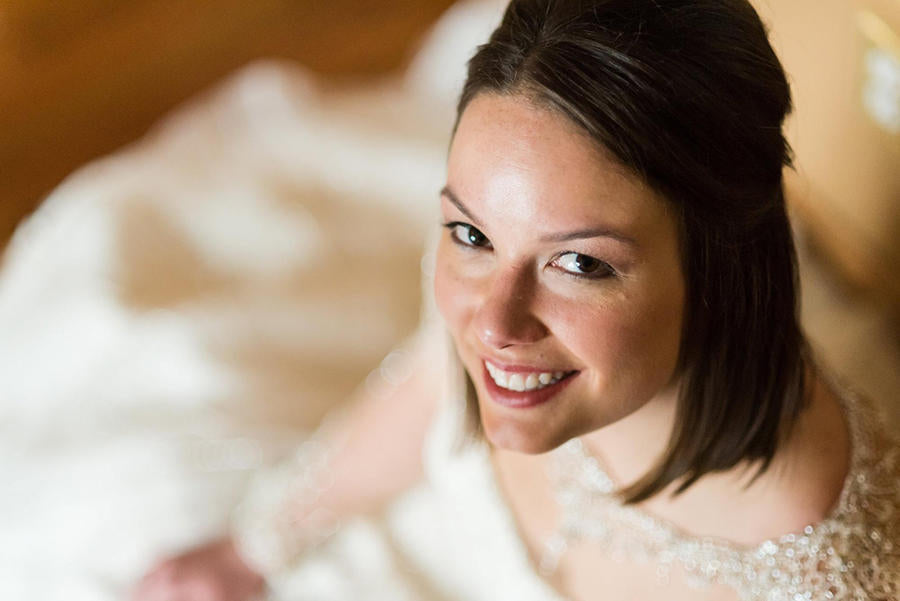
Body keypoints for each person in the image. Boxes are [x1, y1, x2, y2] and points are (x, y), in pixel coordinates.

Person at [132, 0, 900, 599]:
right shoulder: (502, 322)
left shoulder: (822, 574)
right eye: (470, 233)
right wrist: (255, 546)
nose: (490, 323)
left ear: (720, 268)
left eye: (578, 262)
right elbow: (435, 383)